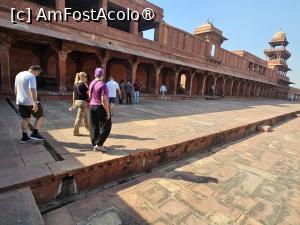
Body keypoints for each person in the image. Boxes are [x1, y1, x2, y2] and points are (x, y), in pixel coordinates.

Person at [14, 65, 44, 143]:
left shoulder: (19, 74)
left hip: (21, 101)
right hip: (30, 102)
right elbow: (32, 89)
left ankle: (24, 138)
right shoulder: (31, 76)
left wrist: (18, 98)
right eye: (38, 73)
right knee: (40, 116)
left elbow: (15, 88)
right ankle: (35, 133)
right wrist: (35, 102)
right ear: (37, 71)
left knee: (25, 119)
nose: (37, 75)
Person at [89, 68, 111, 152]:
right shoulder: (103, 84)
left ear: (95, 74)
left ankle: (95, 144)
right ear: (103, 75)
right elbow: (104, 99)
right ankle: (99, 144)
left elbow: (89, 95)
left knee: (94, 125)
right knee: (107, 126)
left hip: (92, 106)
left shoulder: (91, 83)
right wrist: (108, 112)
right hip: (100, 106)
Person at [72, 72, 89, 136]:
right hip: (82, 102)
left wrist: (73, 103)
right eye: (85, 76)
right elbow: (88, 93)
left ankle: (88, 128)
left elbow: (73, 95)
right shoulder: (83, 84)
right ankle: (75, 132)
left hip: (77, 102)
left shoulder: (75, 84)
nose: (86, 78)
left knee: (85, 116)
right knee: (79, 118)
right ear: (82, 77)